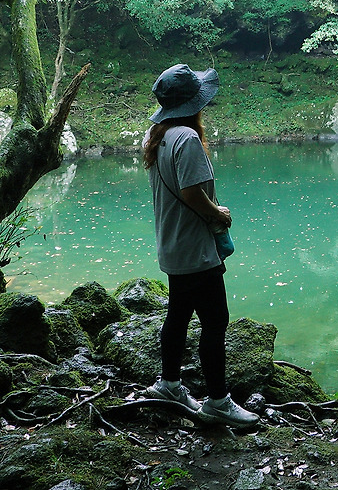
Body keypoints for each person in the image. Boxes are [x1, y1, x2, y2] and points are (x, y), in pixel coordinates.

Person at [140, 63, 259, 429]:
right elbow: (192, 193)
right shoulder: (187, 139)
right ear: (194, 104)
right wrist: (218, 214)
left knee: (178, 314)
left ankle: (170, 385)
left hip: (173, 246)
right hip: (195, 249)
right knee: (215, 320)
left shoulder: (157, 136)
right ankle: (218, 402)